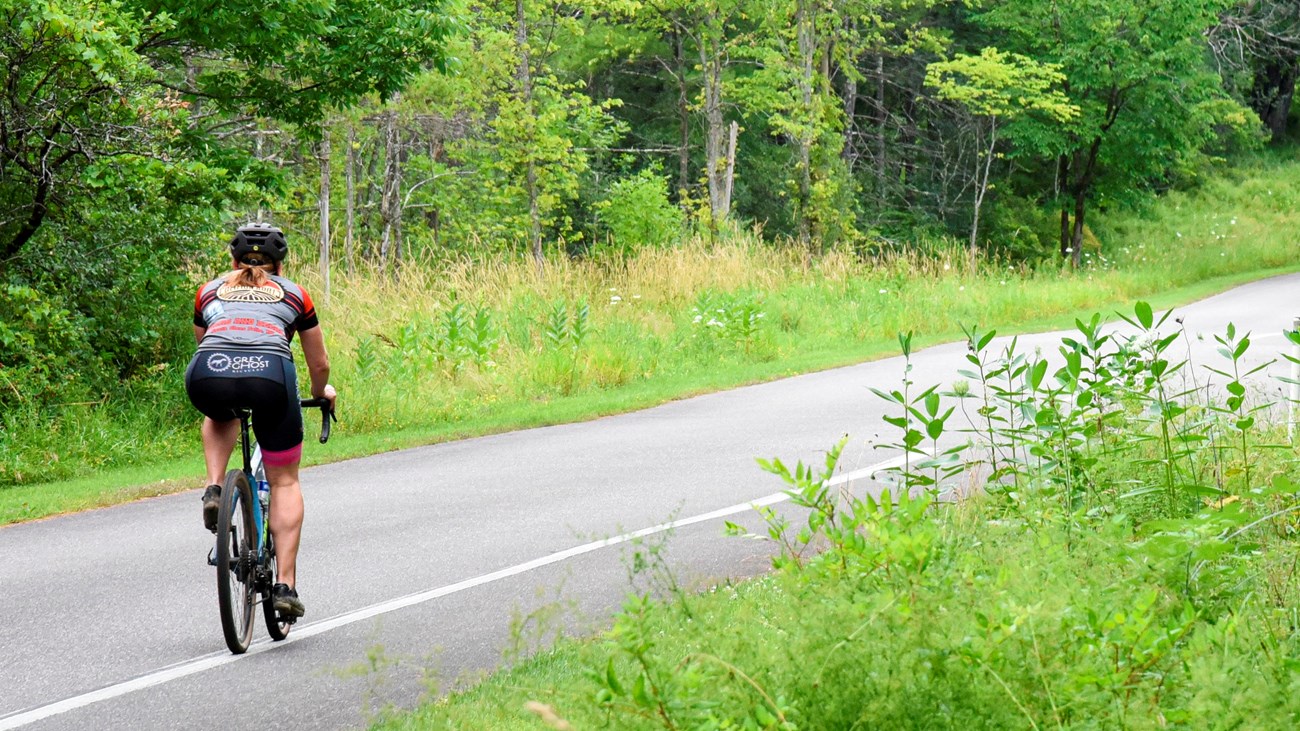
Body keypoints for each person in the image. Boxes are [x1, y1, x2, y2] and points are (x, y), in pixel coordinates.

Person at [184, 222, 336, 618]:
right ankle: (285, 585)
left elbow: (206, 340)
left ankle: (215, 488)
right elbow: (319, 363)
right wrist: (323, 394)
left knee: (220, 411)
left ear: (232, 261)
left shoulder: (208, 290)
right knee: (284, 479)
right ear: (280, 265)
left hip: (209, 371)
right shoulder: (295, 295)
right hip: (270, 376)